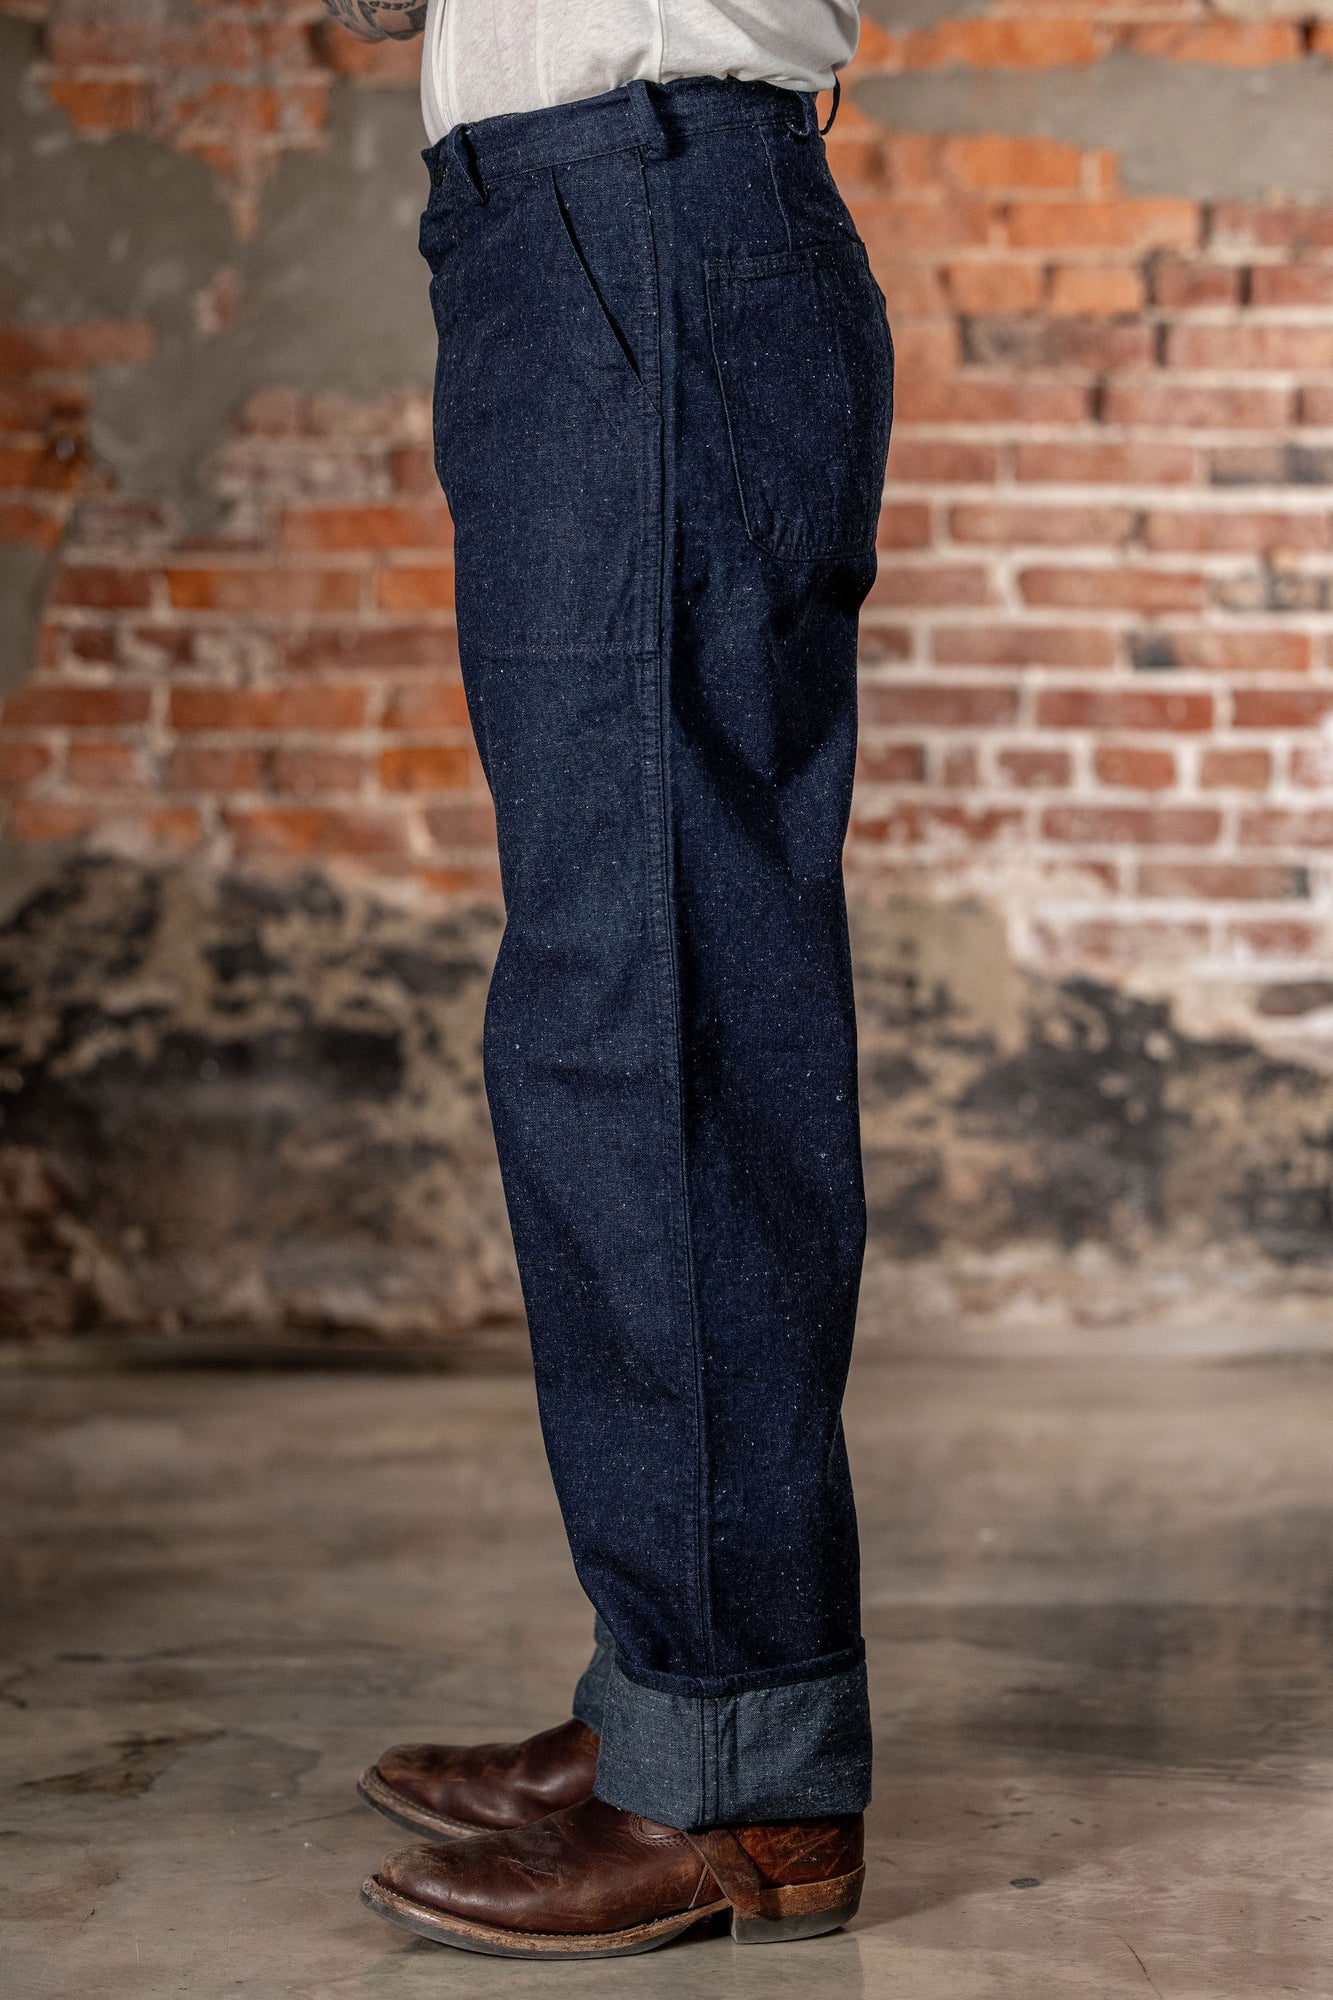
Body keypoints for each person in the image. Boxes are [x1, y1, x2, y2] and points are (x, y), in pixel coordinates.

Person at [321, 0, 891, 1961]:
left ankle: (732, 1766)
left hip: (637, 217)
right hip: (585, 231)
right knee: (639, 992)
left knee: (649, 1014)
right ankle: (677, 1691)